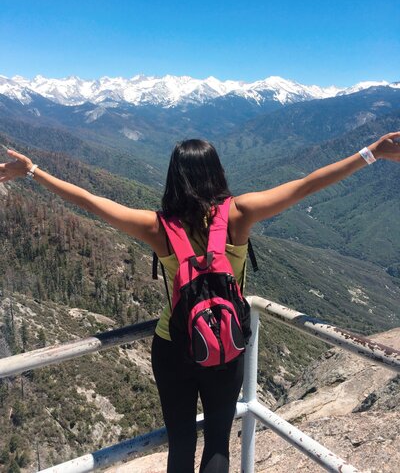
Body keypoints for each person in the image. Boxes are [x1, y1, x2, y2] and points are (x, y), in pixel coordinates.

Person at [1, 133, 399, 473]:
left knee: (180, 444)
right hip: (225, 348)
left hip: (173, 347)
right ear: (217, 172)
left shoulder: (156, 227)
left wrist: (32, 172)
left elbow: (89, 202)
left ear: (174, 176)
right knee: (219, 444)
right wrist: (373, 152)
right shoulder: (240, 213)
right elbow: (307, 185)